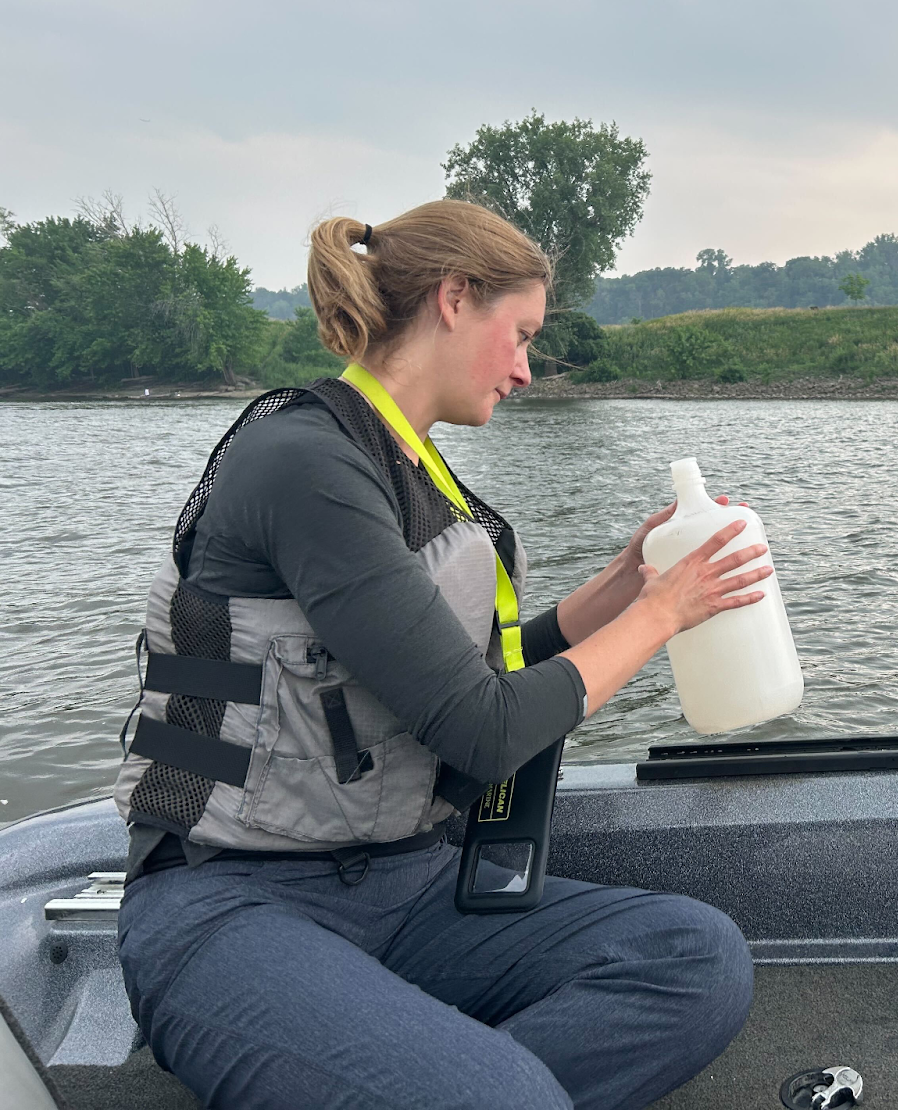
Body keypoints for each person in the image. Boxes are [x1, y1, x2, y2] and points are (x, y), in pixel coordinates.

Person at [114, 200, 766, 1109]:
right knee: (501, 1097)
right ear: (456, 298)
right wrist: (662, 616)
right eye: (523, 336)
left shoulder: (409, 465)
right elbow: (484, 732)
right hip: (228, 903)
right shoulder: (304, 462)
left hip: (406, 887)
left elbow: (460, 680)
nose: (528, 372)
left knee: (695, 959)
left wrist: (623, 585)